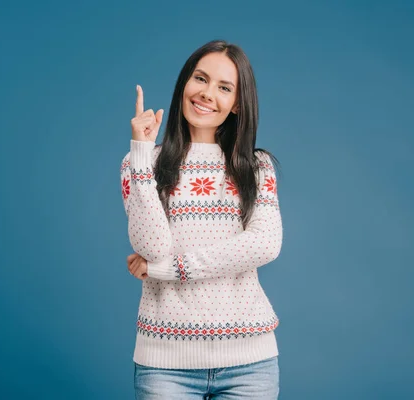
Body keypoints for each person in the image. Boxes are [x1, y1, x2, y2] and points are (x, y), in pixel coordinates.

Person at [120, 39, 283, 400]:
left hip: (249, 363)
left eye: (224, 87)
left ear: (238, 103)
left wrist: (165, 269)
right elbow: (151, 246)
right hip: (164, 364)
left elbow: (264, 244)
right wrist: (142, 153)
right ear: (184, 84)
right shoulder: (140, 162)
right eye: (200, 79)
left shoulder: (256, 168)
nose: (207, 93)